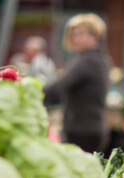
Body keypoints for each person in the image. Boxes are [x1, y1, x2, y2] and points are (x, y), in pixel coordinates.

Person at [43, 13, 111, 153]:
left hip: (82, 130)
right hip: (93, 129)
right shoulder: (101, 59)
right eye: (73, 35)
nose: (75, 39)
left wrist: (31, 92)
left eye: (80, 34)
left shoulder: (86, 61)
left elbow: (56, 88)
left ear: (95, 36)